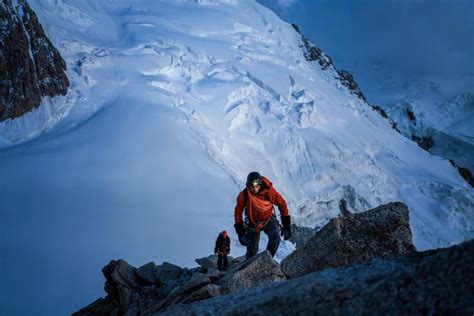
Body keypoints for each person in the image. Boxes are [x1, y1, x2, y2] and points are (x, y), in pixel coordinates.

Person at [233, 172, 291, 259]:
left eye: (257, 186)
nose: (255, 189)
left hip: (268, 219)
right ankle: (250, 268)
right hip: (252, 223)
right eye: (252, 187)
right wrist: (240, 233)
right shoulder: (244, 195)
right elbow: (238, 213)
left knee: (275, 237)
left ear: (260, 184)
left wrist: (286, 226)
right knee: (252, 250)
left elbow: (282, 204)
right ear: (248, 186)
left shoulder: (268, 191)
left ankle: (266, 261)